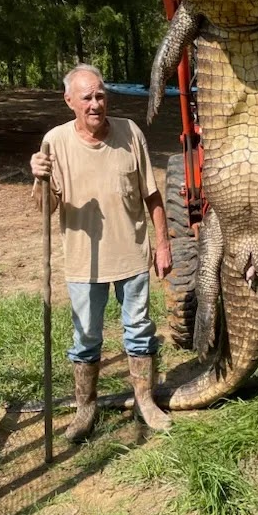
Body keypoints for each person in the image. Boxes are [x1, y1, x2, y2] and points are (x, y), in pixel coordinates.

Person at [30, 64, 173, 442]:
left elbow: (152, 196)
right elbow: (47, 209)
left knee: (140, 333)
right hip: (83, 263)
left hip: (131, 255)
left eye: (100, 95)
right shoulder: (54, 143)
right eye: (87, 97)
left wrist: (162, 243)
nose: (96, 104)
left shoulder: (130, 133)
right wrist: (40, 177)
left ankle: (146, 401)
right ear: (69, 101)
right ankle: (86, 408)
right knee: (86, 338)